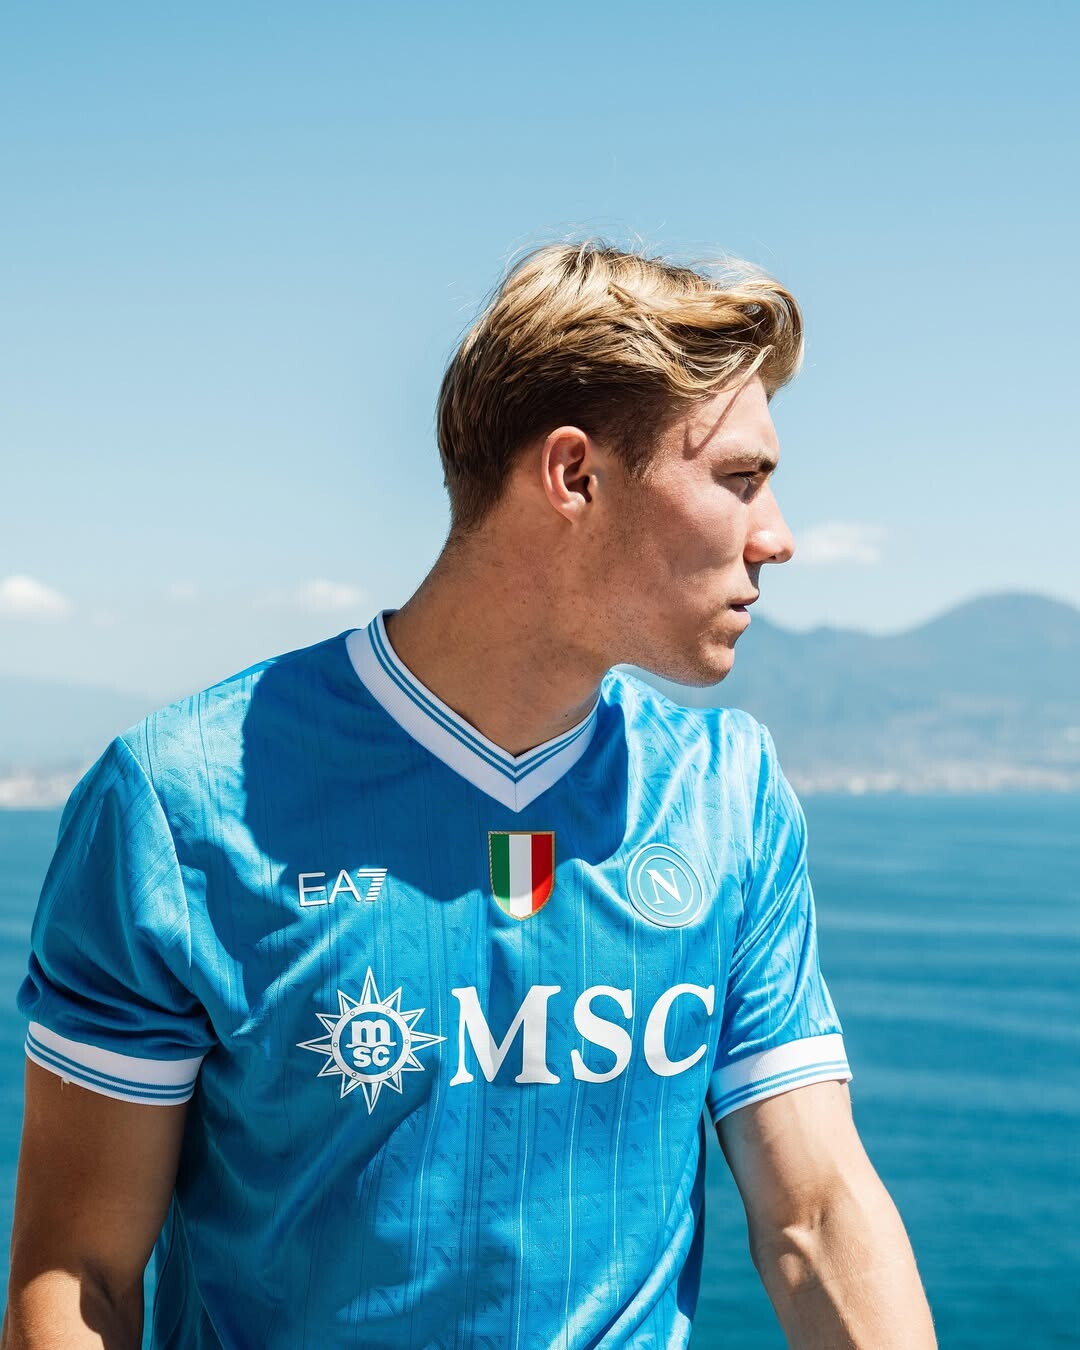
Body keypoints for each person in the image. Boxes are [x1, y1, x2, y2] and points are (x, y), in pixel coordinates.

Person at [3, 240, 937, 1349]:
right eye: (740, 479)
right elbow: (79, 1274)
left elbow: (818, 1214)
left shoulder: (726, 796)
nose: (777, 537)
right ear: (574, 476)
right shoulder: (179, 804)